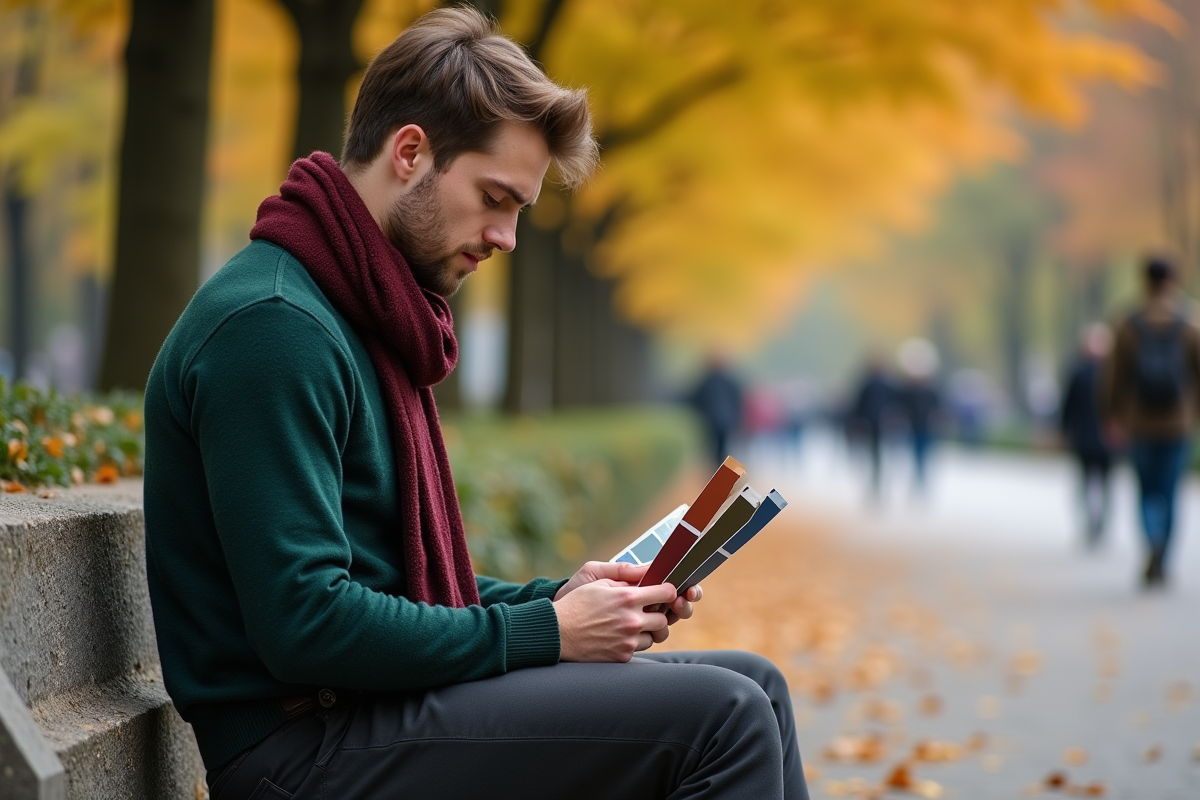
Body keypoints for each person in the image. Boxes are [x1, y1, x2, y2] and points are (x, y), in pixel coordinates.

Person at [142, 9, 808, 799]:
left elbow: (394, 583)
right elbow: (307, 625)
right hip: (301, 753)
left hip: (363, 713)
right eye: (495, 198)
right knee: (726, 716)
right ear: (410, 153)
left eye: (519, 210)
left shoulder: (360, 309)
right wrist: (548, 632)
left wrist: (557, 600)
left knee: (757, 686)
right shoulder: (275, 326)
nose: (507, 237)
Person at [1102, 255, 1200, 588]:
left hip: (1139, 422)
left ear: (1144, 281)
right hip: (1178, 424)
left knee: (1146, 491)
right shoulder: (1190, 321)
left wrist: (1112, 415)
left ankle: (1152, 540)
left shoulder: (1127, 323)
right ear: (1173, 280)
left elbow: (1113, 376)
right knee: (1170, 491)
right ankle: (1164, 554)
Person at [1059, 323, 1115, 548]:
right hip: (1104, 439)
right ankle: (1096, 523)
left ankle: (1095, 523)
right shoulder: (1111, 372)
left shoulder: (1079, 371)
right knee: (1101, 484)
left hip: (1088, 438)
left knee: (1092, 483)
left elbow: (1067, 408)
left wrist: (1065, 431)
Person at [895, 338, 941, 495]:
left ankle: (921, 479)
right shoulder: (907, 390)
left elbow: (937, 408)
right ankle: (918, 479)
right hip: (911, 425)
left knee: (923, 454)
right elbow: (900, 407)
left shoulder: (931, 390)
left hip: (926, 426)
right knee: (915, 453)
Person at [847, 355, 894, 502]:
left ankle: (875, 482)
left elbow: (858, 406)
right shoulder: (886, 384)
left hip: (871, 423)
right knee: (877, 455)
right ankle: (876, 482)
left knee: (873, 454)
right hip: (879, 424)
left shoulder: (867, 384)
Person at [688, 355, 745, 468]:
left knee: (713, 449)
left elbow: (695, 401)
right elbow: (738, 401)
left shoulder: (706, 382)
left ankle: (717, 470)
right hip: (726, 421)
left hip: (711, 421)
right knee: (723, 449)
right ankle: (721, 470)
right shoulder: (730, 382)